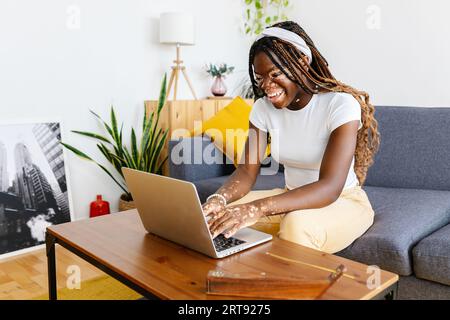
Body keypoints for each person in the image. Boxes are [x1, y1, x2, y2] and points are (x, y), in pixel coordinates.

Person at [202, 21, 380, 254]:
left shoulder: (340, 105)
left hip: (343, 202)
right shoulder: (262, 109)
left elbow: (330, 187)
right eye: (260, 77)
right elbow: (246, 172)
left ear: (302, 62)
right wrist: (219, 199)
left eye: (275, 74)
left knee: (297, 224)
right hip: (290, 197)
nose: (267, 85)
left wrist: (258, 208)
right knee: (219, 217)